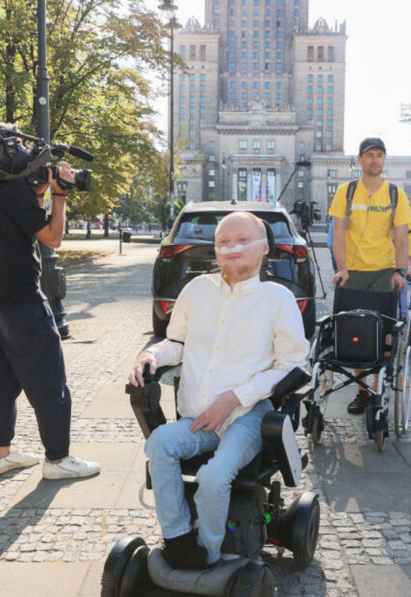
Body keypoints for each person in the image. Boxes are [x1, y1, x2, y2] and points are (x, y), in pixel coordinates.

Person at [128, 211, 309, 570]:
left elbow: (293, 365)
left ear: (263, 249)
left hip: (247, 418)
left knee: (212, 476)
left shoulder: (277, 298)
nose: (232, 248)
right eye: (223, 242)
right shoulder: (197, 291)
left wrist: (235, 397)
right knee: (160, 444)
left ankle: (209, 554)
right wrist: (151, 354)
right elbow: (175, 342)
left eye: (242, 240)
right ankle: (179, 539)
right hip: (199, 417)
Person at [0, 154, 100, 480]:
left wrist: (40, 187)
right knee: (50, 383)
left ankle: (0, 454)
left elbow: (15, 223)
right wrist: (59, 194)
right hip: (24, 305)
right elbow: (52, 237)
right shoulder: (14, 192)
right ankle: (58, 460)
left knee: (1, 383)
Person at [328, 137, 411, 413]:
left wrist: (400, 269)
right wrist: (341, 268)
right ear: (360, 159)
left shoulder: (395, 194)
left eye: (380, 155)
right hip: (353, 271)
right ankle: (362, 391)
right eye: (370, 155)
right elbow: (338, 232)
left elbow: (401, 234)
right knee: (355, 332)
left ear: (384, 159)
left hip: (384, 271)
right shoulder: (346, 191)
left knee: (383, 334)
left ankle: (377, 389)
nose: (375, 160)